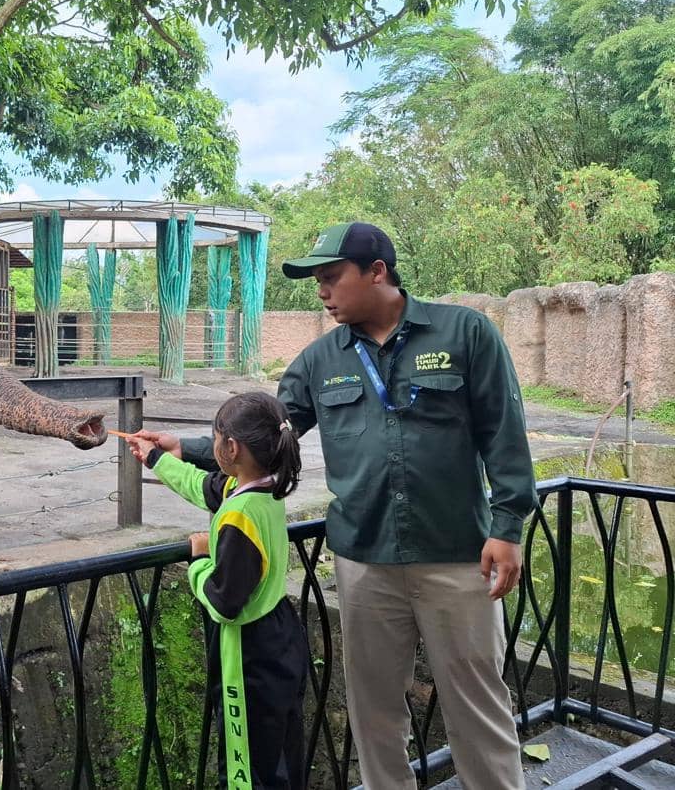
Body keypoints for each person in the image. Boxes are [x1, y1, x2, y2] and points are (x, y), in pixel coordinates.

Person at [137, 223, 536, 790]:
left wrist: (509, 525)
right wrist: (191, 450)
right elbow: (268, 435)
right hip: (364, 563)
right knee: (373, 713)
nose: (322, 291)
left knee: (478, 708)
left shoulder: (464, 332)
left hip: (457, 558)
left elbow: (504, 434)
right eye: (317, 280)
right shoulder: (320, 359)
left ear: (377, 271)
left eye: (331, 277)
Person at [127, 391, 309, 790]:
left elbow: (225, 602)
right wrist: (156, 458)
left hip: (248, 650)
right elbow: (202, 485)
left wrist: (198, 562)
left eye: (214, 437)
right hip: (280, 634)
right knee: (280, 750)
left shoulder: (238, 517)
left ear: (230, 447)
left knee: (247, 759)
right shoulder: (265, 487)